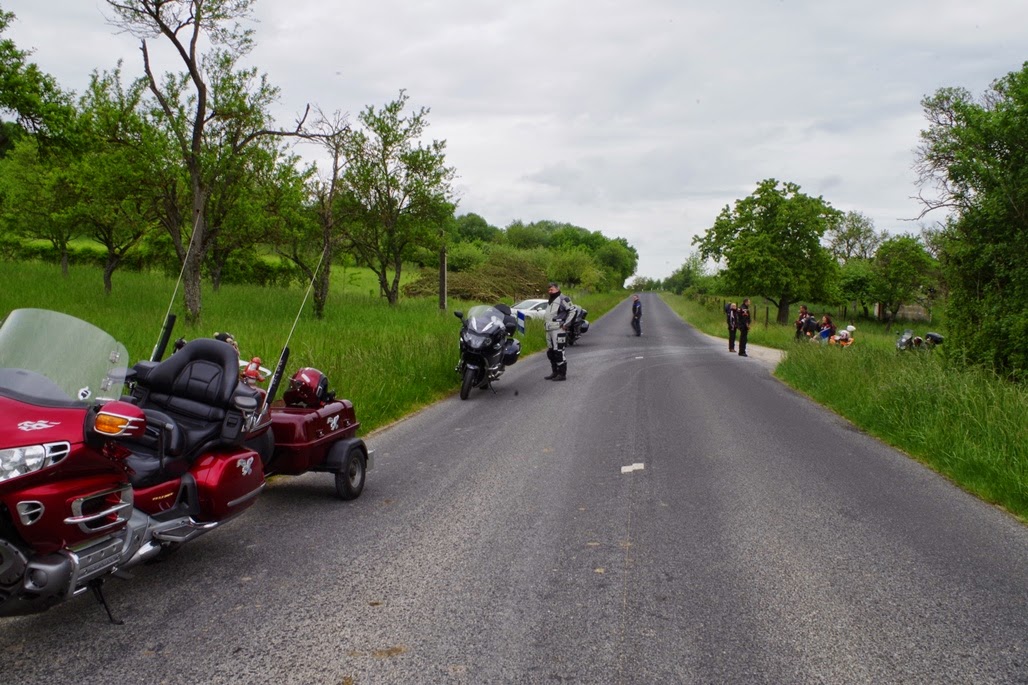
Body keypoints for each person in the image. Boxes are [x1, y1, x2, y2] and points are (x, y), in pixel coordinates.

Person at [543, 282, 575, 381]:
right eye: (549, 290)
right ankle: (555, 372)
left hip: (558, 329)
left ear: (557, 288)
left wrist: (566, 324)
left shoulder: (563, 299)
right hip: (549, 329)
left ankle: (562, 374)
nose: (550, 291)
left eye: (551, 289)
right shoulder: (550, 299)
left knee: (559, 351)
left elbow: (572, 311)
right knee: (551, 352)